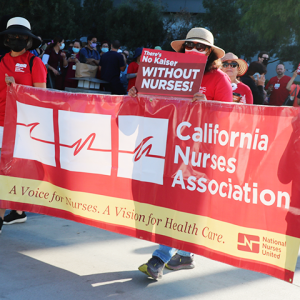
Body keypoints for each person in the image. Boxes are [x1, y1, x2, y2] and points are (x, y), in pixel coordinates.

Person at [129, 27, 232, 279]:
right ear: (183, 47)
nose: (195, 50)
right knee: (169, 201)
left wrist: (209, 106)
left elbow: (230, 118)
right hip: (167, 147)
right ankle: (184, 255)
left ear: (210, 53)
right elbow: (155, 105)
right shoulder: (169, 71)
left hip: (198, 154)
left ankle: (160, 257)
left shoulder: (219, 79)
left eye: (202, 47)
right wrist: (137, 95)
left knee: (179, 203)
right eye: (190, 45)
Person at [0, 17, 47, 233]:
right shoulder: (1, 61)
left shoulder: (33, 62)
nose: (16, 39)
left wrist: (17, 88)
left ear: (29, 41)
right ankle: (17, 211)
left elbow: (42, 97)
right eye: (12, 36)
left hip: (21, 126)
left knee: (9, 170)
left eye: (21, 36)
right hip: (1, 122)